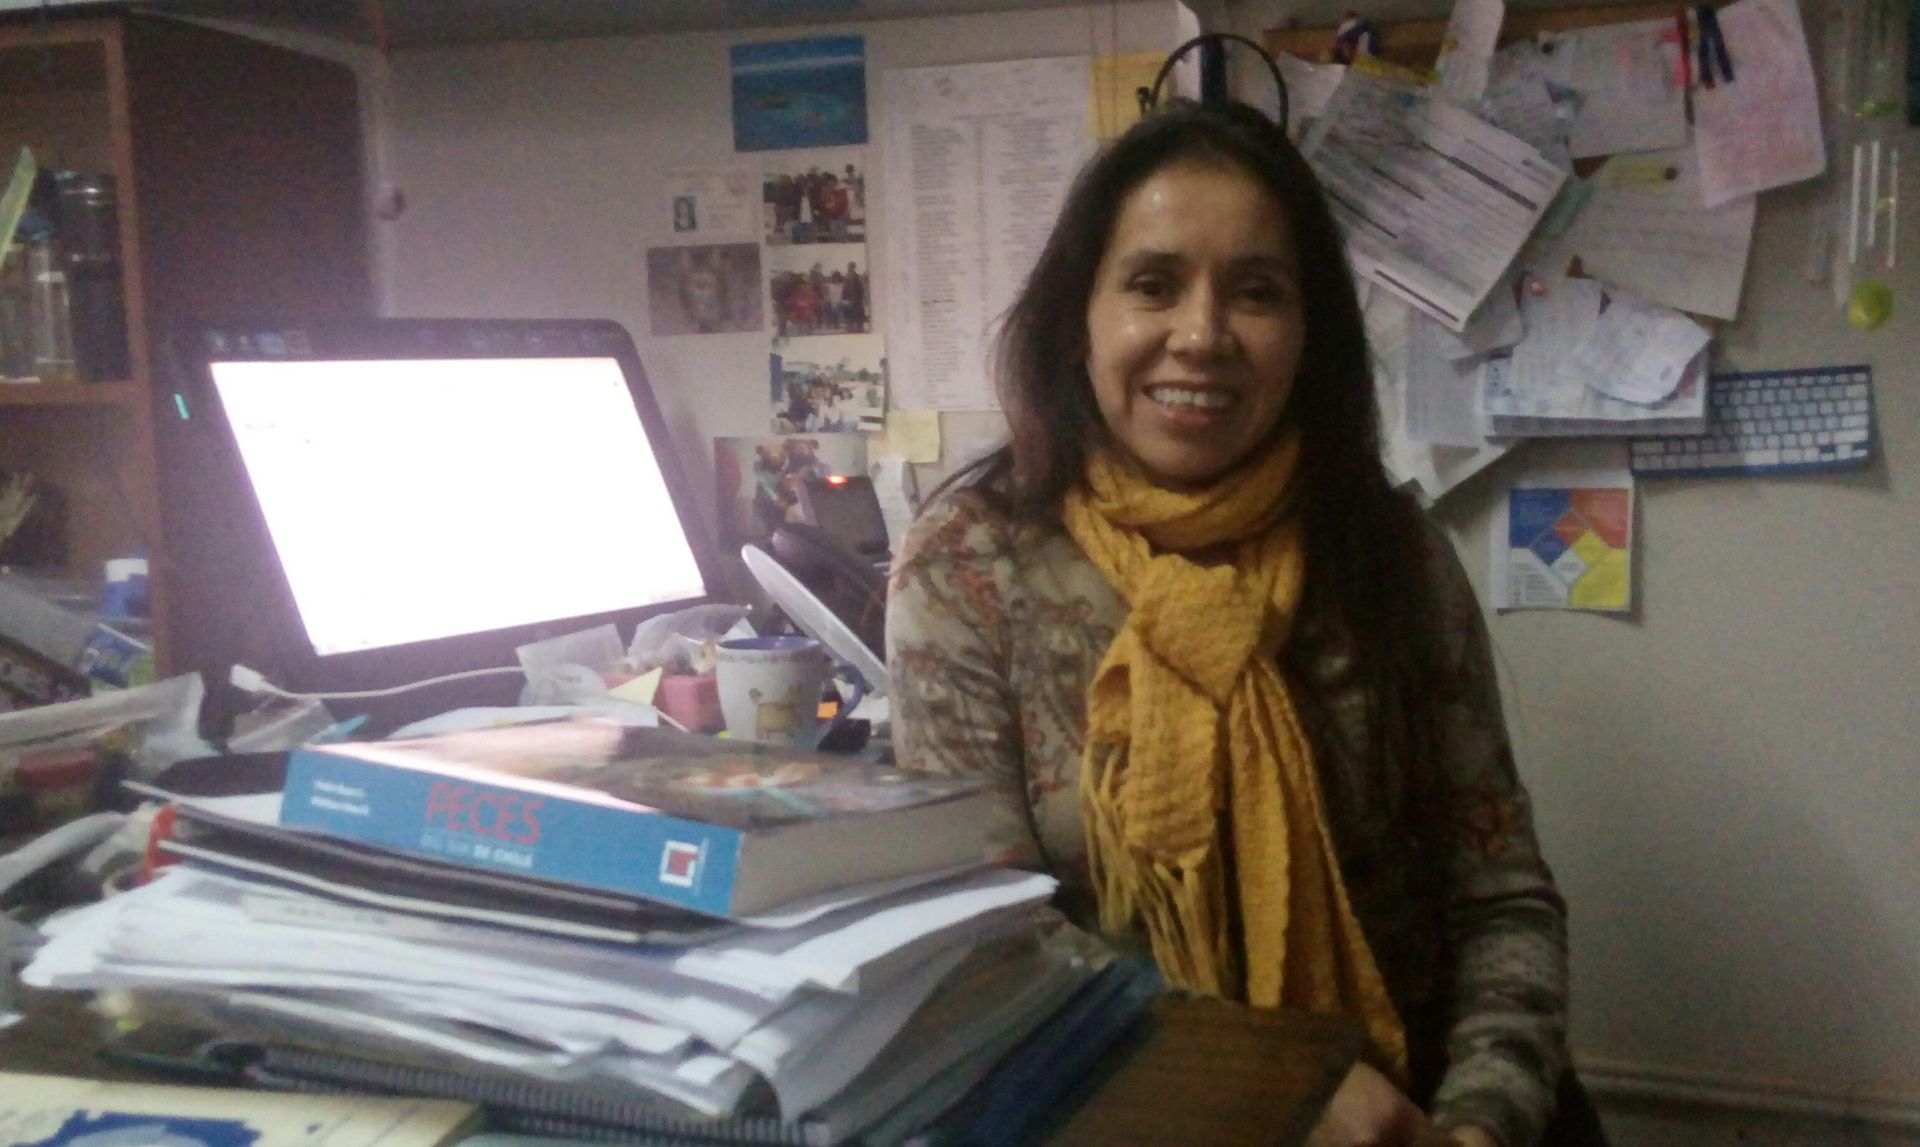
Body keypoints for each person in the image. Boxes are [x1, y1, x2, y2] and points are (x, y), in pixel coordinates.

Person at [887, 99, 1585, 1147]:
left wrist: (1478, 1124)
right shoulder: (968, 564)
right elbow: (987, 945)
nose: (1202, 336)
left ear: (1308, 335)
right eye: (1153, 284)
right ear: (1079, 319)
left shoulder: (1391, 554)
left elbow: (1501, 899)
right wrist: (1275, 1082)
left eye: (1256, 292)